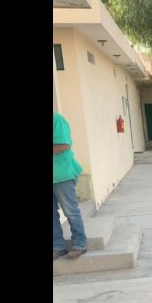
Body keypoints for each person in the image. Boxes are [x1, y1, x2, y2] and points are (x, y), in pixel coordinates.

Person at [53, 111, 88, 260]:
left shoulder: (56, 119)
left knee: (70, 211)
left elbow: (64, 145)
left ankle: (80, 244)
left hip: (63, 174)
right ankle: (58, 246)